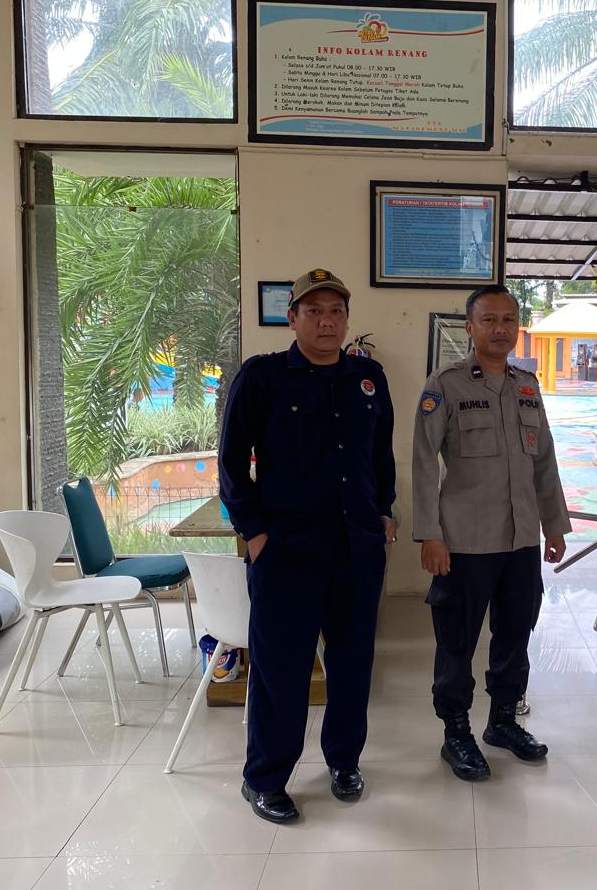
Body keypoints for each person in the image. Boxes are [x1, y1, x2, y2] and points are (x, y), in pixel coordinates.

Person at [219, 267, 397, 823]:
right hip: (286, 553)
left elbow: (381, 456)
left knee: (352, 665)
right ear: (292, 318)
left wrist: (384, 511)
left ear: (347, 319)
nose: (327, 321)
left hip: (357, 551)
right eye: (314, 311)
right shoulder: (263, 378)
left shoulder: (368, 378)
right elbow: (231, 465)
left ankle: (344, 761)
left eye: (336, 311)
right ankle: (265, 779)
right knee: (281, 671)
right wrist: (255, 534)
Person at [411, 284, 571, 781]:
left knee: (516, 633)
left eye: (508, 320)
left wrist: (554, 525)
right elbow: (423, 463)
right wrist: (430, 534)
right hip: (464, 541)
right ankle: (456, 732)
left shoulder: (527, 385)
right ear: (470, 328)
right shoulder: (445, 385)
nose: (500, 329)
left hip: (520, 539)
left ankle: (503, 721)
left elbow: (544, 461)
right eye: (489, 320)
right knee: (456, 640)